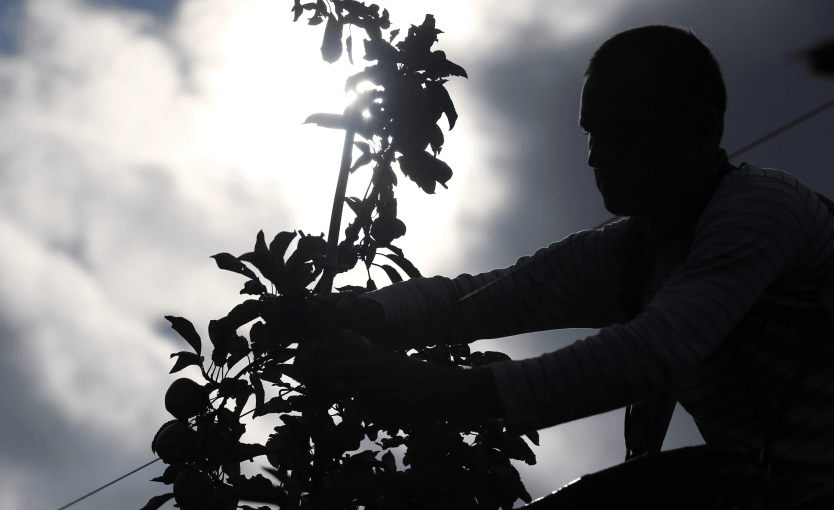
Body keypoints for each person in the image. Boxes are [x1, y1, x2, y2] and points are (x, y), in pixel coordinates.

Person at [295, 24, 834, 509]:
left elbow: (655, 350)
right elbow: (478, 300)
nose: (597, 156)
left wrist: (448, 391)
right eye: (591, 132)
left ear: (702, 129)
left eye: (624, 131)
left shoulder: (765, 208)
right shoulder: (629, 256)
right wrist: (355, 314)